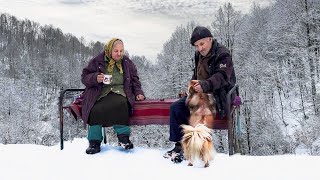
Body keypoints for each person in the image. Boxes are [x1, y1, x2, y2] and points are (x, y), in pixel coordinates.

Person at [163, 26, 236, 162]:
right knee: (176, 107)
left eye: (202, 44)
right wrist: (191, 89)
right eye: (197, 46)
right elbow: (197, 75)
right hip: (201, 92)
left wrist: (205, 85)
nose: (200, 48)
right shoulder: (198, 55)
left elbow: (222, 77)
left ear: (210, 39)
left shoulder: (222, 54)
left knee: (199, 106)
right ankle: (179, 146)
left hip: (220, 94)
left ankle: (194, 148)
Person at [81, 38, 145, 154]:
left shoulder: (127, 63)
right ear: (110, 50)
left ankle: (123, 138)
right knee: (95, 109)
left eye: (121, 51)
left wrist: (139, 93)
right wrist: (95, 77)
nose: (119, 53)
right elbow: (85, 77)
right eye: (116, 51)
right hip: (100, 93)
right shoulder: (97, 61)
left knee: (120, 103)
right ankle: (94, 142)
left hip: (120, 91)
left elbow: (135, 80)